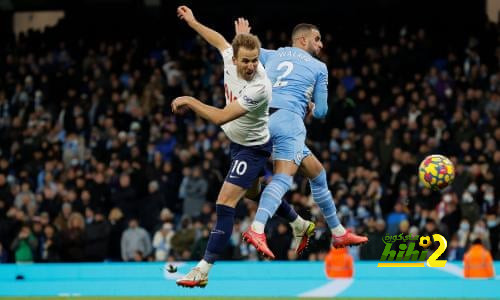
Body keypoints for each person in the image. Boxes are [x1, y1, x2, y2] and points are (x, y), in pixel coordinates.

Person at [172, 6, 314, 288]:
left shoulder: (259, 86)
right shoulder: (230, 56)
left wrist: (189, 100)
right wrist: (193, 22)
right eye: (245, 61)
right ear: (234, 59)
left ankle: (203, 269)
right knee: (253, 193)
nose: (251, 66)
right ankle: (298, 222)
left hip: (253, 148)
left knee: (225, 203)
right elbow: (219, 41)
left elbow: (221, 117)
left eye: (254, 60)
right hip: (239, 143)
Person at [235, 19, 368, 258]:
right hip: (288, 121)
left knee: (317, 173)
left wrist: (244, 36)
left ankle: (337, 232)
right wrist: (311, 105)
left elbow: (250, 52)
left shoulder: (273, 55)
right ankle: (257, 228)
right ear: (303, 40)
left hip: (260, 120)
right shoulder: (319, 67)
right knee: (283, 179)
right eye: (317, 39)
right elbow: (321, 112)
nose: (321, 44)